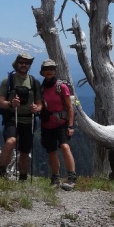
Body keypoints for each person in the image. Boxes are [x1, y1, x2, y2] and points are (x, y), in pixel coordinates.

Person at [0, 52, 42, 181]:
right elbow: (0, 102)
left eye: (27, 63)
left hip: (29, 119)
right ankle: (2, 171)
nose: (24, 65)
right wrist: (11, 103)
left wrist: (36, 109)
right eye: (21, 62)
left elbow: (40, 104)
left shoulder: (34, 82)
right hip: (12, 117)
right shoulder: (8, 80)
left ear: (29, 66)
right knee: (11, 141)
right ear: (16, 64)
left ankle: (22, 177)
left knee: (25, 152)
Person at [38, 59, 77, 190]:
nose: (49, 71)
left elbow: (70, 107)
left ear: (55, 71)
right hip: (47, 124)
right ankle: (56, 178)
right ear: (42, 72)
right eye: (46, 69)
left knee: (65, 147)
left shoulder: (61, 87)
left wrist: (70, 126)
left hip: (62, 123)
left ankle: (71, 177)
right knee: (51, 151)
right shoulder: (41, 88)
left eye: (51, 69)